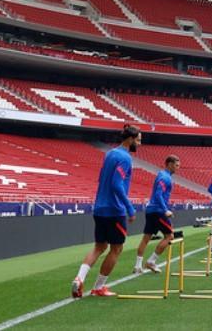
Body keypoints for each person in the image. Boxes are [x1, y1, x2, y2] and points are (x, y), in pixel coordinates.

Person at [71, 124, 140, 298]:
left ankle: (79, 278)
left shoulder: (110, 154)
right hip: (114, 210)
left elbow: (102, 178)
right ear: (130, 139)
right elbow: (117, 184)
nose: (139, 144)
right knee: (117, 248)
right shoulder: (125, 158)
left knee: (99, 246)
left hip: (99, 207)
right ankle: (99, 287)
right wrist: (129, 208)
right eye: (138, 140)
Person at [134, 154, 179, 274]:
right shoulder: (165, 177)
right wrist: (165, 210)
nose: (177, 168)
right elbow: (159, 194)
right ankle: (151, 261)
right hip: (158, 211)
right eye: (176, 165)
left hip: (151, 210)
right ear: (169, 164)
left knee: (146, 238)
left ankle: (138, 266)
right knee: (169, 236)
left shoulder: (162, 174)